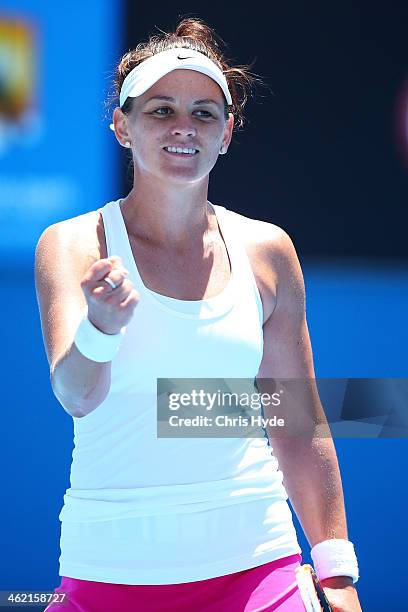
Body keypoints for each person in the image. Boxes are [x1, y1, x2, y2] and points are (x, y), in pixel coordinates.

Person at [35, 17, 362, 612]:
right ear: (121, 125)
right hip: (107, 572)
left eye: (204, 113)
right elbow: (76, 394)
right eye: (161, 110)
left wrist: (336, 571)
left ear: (228, 132)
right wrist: (101, 328)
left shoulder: (267, 250)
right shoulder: (72, 244)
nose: (183, 128)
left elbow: (294, 419)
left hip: (259, 566)